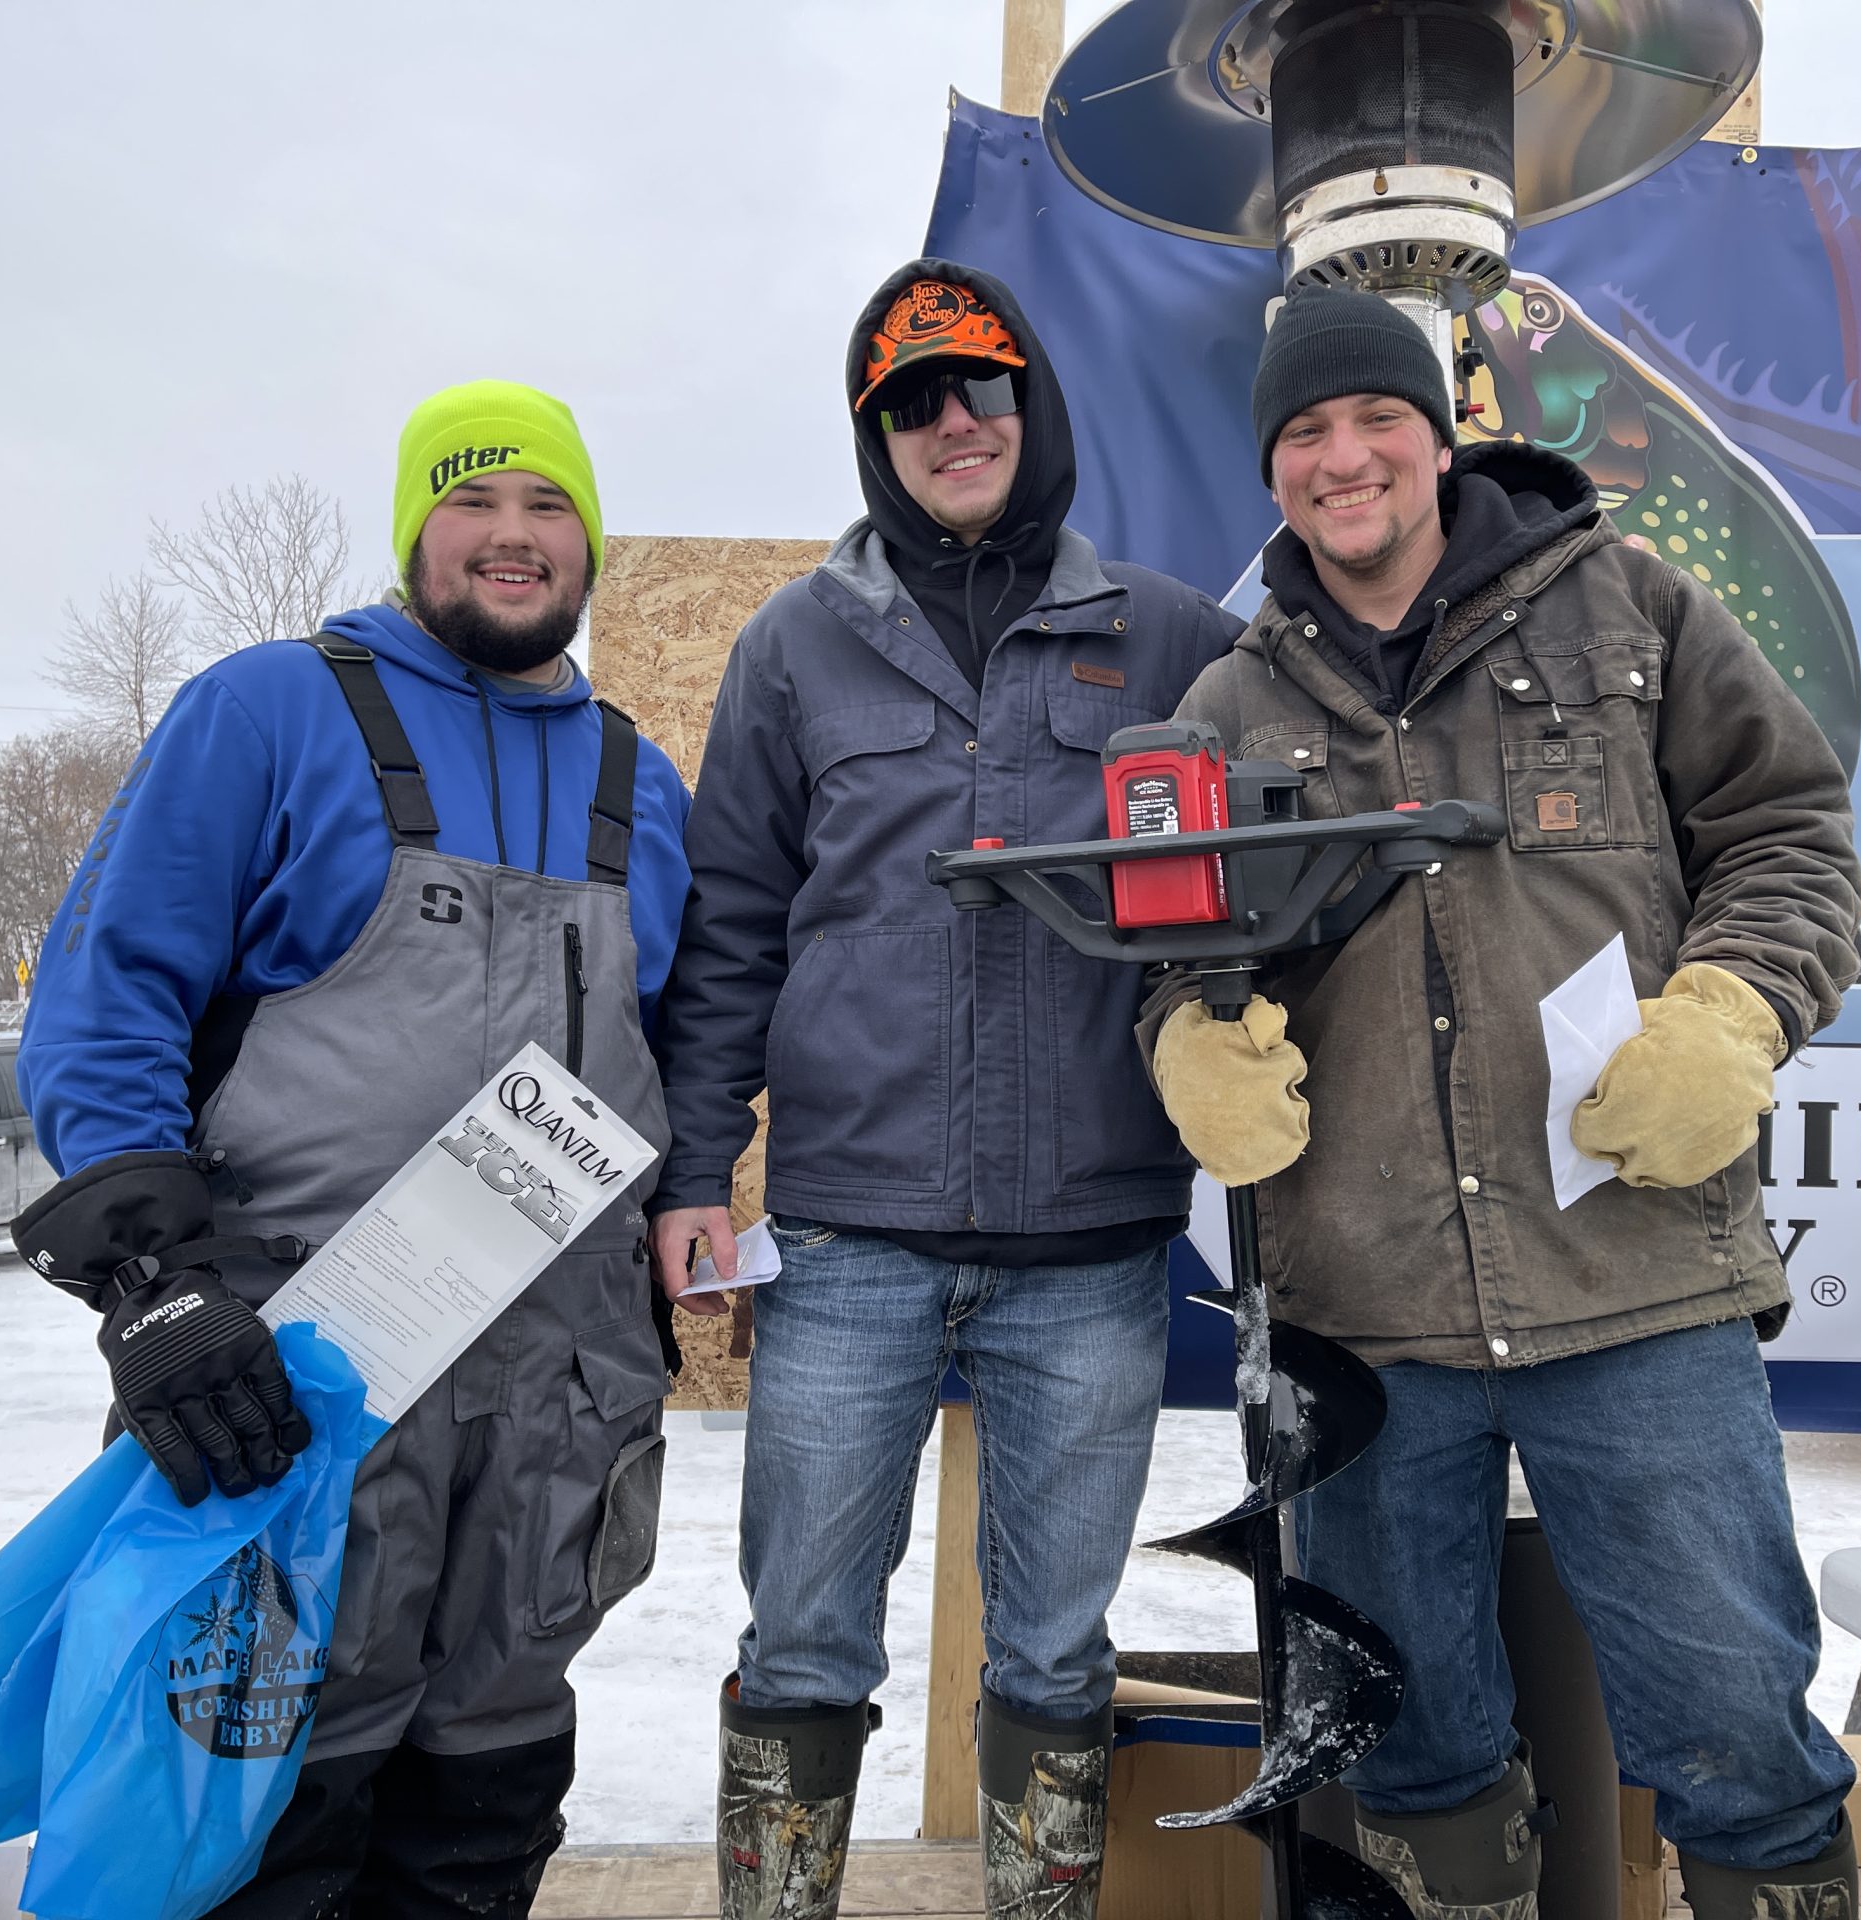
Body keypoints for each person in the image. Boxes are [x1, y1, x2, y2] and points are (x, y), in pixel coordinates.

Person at [1145, 286, 1861, 1920]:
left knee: (1738, 1725)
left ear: (1440, 430)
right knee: (1406, 1740)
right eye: (1304, 434)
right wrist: (1190, 1037)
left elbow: (1791, 834)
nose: (1344, 461)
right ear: (1271, 470)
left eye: (1373, 419)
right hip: (1362, 1312)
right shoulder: (1227, 708)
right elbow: (1172, 957)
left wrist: (1737, 1009)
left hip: (1635, 1284)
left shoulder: (1631, 610)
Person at [13, 381, 692, 1919]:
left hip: (554, 1409)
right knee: (264, 1801)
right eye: (474, 503)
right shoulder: (266, 712)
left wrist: (697, 1209)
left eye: (550, 508)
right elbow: (109, 991)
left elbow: (700, 1040)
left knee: (489, 1790)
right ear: (414, 533)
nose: (514, 539)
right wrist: (151, 1288)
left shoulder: (642, 784)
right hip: (296, 1379)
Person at [650, 262, 1243, 1918]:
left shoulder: (1174, 637)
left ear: (1033, 408)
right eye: (908, 402)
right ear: (877, 441)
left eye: (979, 387)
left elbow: (1273, 886)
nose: (950, 422)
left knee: (1058, 1649)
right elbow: (732, 937)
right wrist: (701, 1171)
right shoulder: (795, 648)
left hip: (1098, 1256)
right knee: (806, 1638)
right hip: (847, 1251)